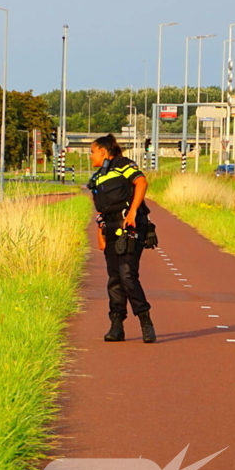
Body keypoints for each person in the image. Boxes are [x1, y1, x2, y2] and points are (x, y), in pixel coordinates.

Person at [86, 134, 156, 344]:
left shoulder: (123, 165)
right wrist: (100, 232)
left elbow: (141, 183)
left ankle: (145, 320)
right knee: (114, 278)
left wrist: (133, 211)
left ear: (104, 151)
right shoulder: (98, 177)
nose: (90, 156)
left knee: (127, 274)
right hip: (111, 229)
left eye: (92, 151)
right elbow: (102, 209)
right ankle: (116, 326)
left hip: (131, 226)